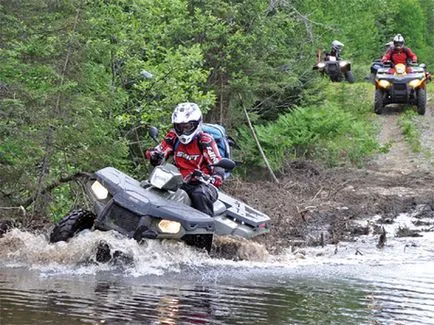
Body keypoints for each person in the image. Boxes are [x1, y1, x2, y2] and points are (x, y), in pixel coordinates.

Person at [145, 102, 224, 217]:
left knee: (199, 195)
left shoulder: (205, 141)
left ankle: (203, 231)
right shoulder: (173, 137)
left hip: (201, 183)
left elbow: (217, 164)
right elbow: (159, 151)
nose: (183, 131)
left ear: (197, 124)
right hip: (176, 180)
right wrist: (154, 155)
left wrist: (213, 178)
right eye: (179, 127)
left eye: (187, 127)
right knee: (149, 185)